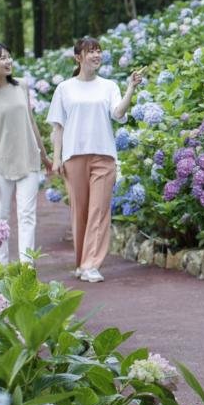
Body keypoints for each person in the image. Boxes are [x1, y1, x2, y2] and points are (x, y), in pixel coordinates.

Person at [47, 37, 141, 282]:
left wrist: (131, 88)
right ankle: (81, 263)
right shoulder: (64, 88)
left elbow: (118, 113)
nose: (97, 55)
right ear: (78, 57)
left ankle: (91, 264)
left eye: (99, 51)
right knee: (80, 212)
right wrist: (56, 159)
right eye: (91, 51)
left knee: (99, 211)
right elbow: (58, 127)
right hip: (74, 156)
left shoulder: (108, 86)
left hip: (104, 155)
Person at [0, 43, 54, 265]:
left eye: (9, 57)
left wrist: (44, 156)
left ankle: (27, 270)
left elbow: (31, 122)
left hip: (28, 158)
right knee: (0, 218)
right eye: (2, 58)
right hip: (1, 163)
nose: (8, 61)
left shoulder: (22, 86)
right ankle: (2, 269)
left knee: (27, 216)